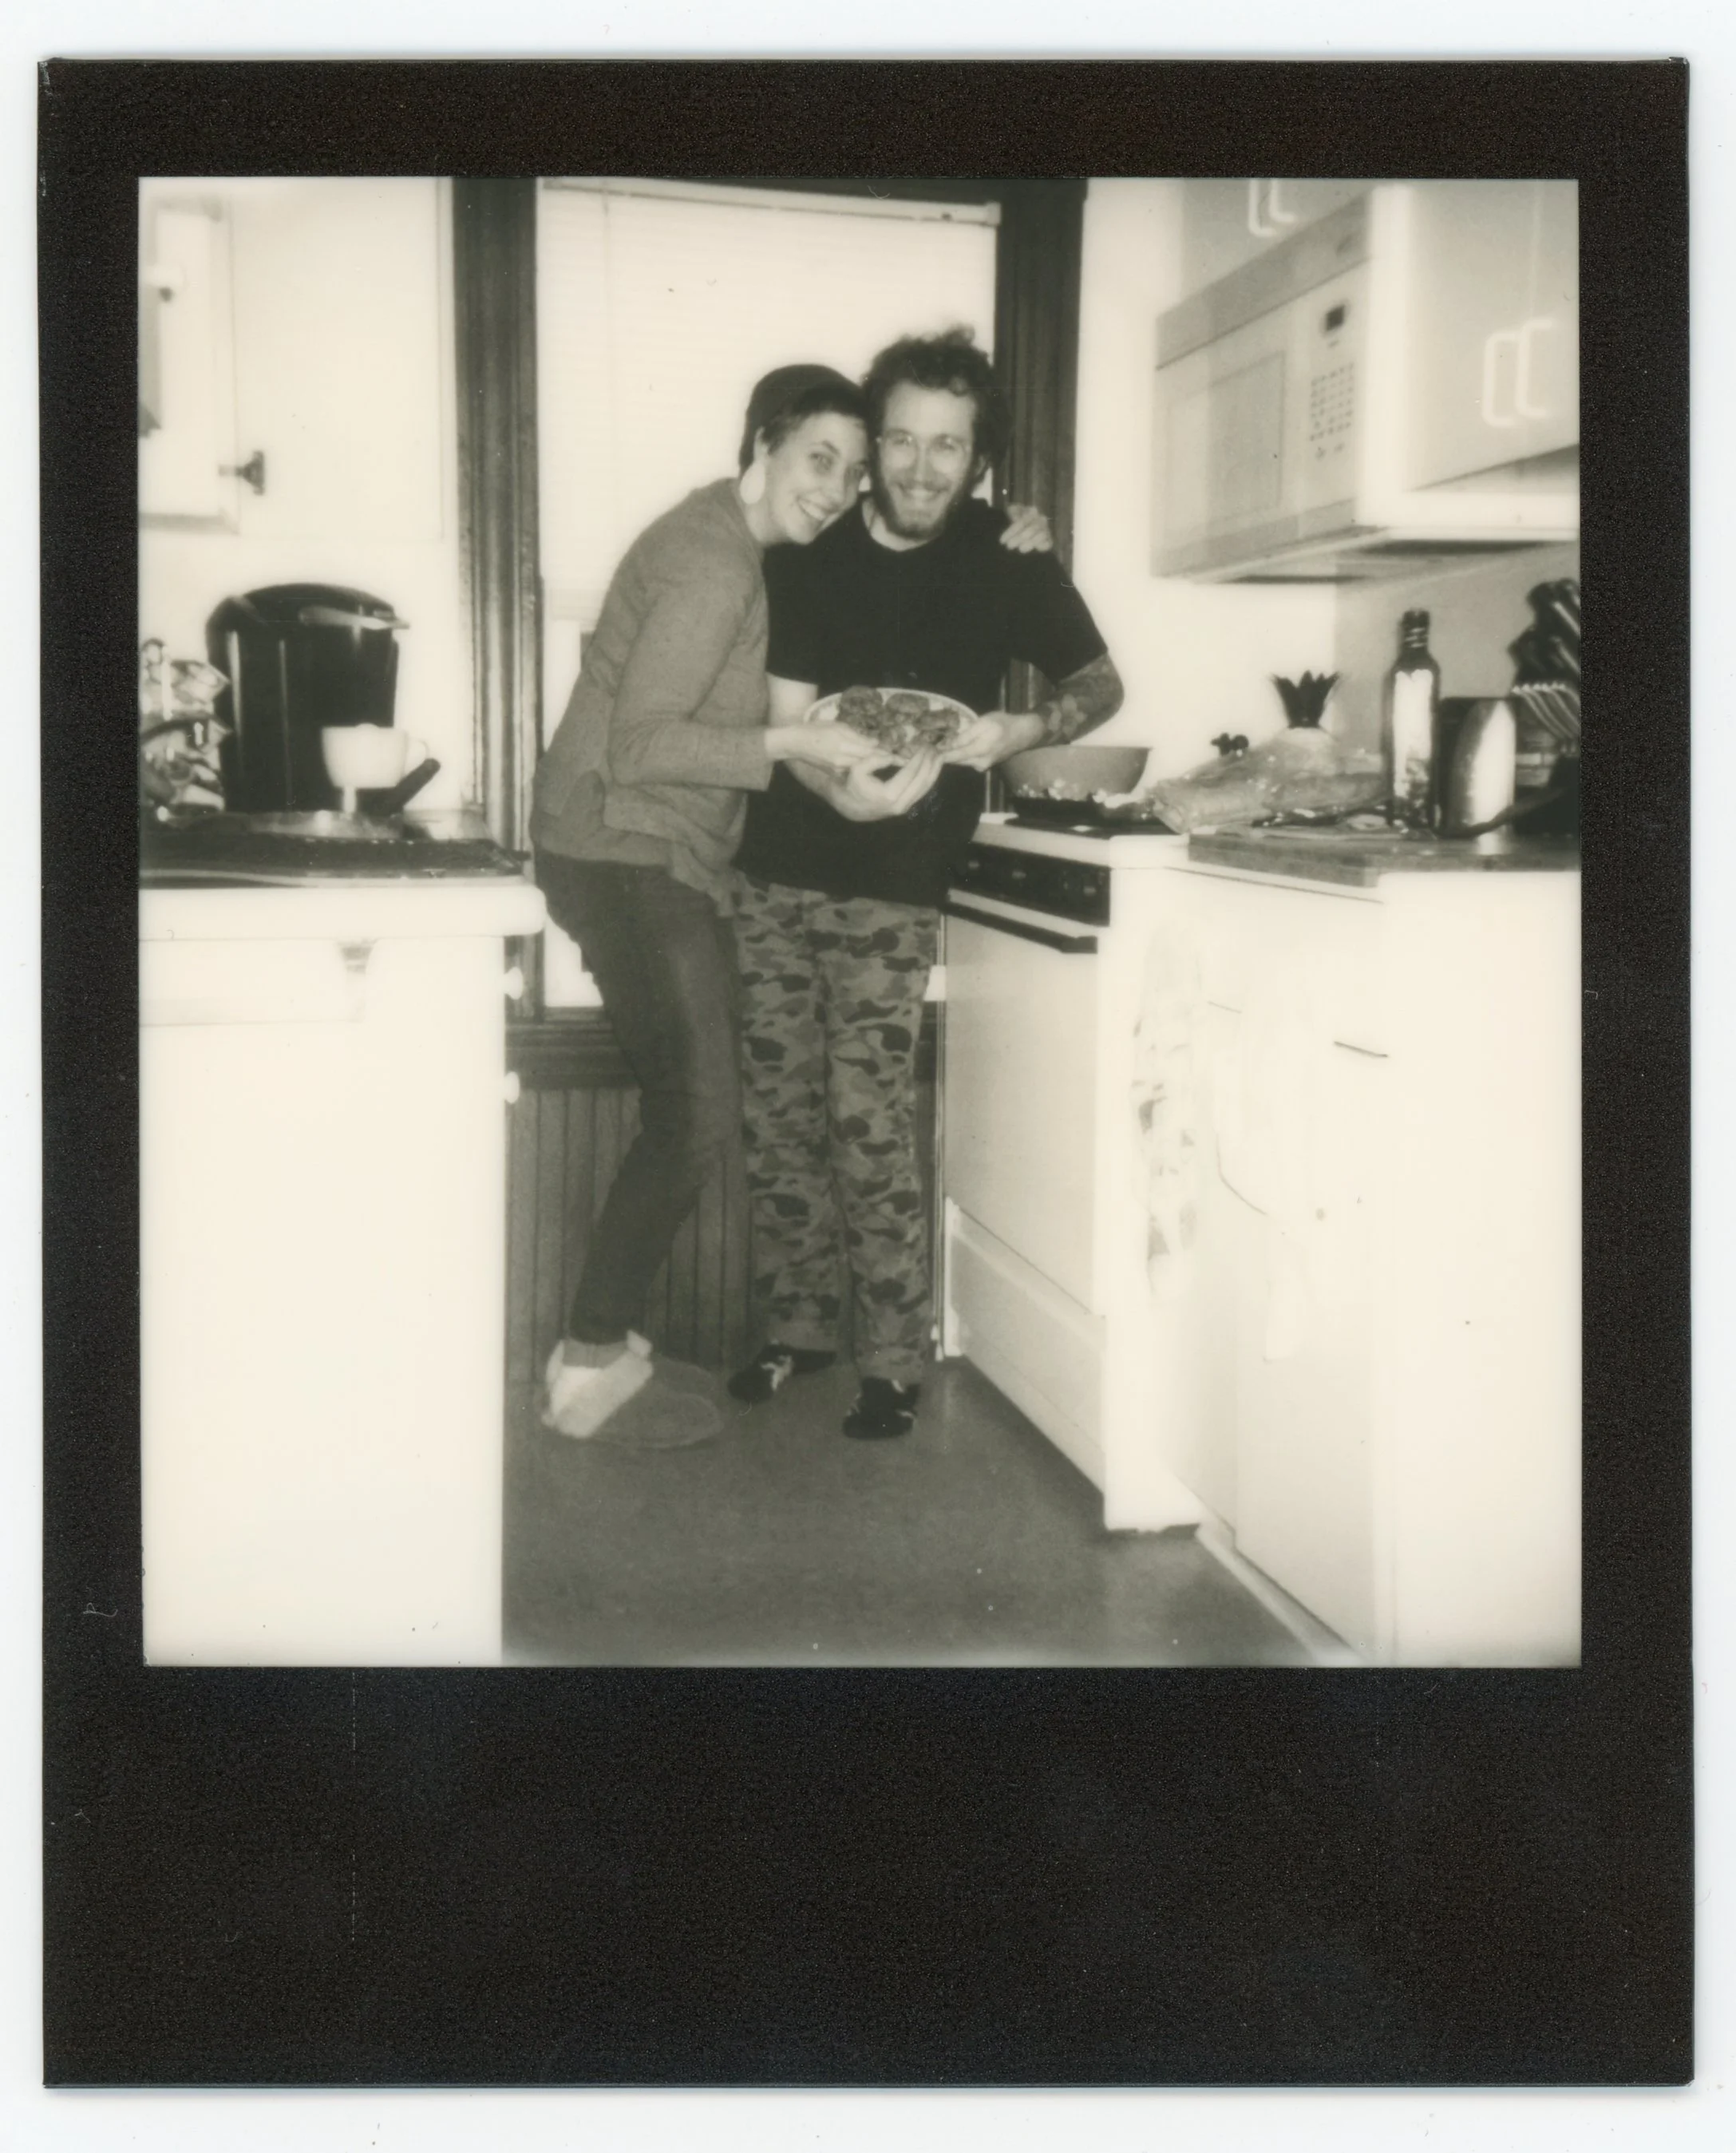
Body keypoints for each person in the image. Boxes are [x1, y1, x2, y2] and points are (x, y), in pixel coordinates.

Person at [730, 328, 1124, 1439]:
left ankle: (893, 1357)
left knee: (865, 1119)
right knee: (779, 1117)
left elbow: (1100, 683)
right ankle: (797, 1331)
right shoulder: (806, 552)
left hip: (898, 875)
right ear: (871, 447)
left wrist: (1019, 730)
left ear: (977, 460)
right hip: (779, 860)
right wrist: (843, 788)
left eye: (945, 446)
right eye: (898, 439)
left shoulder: (1008, 553)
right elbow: (790, 715)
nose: (917, 467)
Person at [529, 364, 888, 1447]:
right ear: (764, 445)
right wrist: (796, 743)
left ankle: (600, 1345)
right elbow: (642, 747)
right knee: (698, 1112)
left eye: (853, 470)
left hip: (633, 852)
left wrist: (827, 769)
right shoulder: (712, 564)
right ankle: (584, 1368)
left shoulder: (732, 545)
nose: (836, 487)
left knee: (692, 1107)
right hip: (620, 848)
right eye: (819, 458)